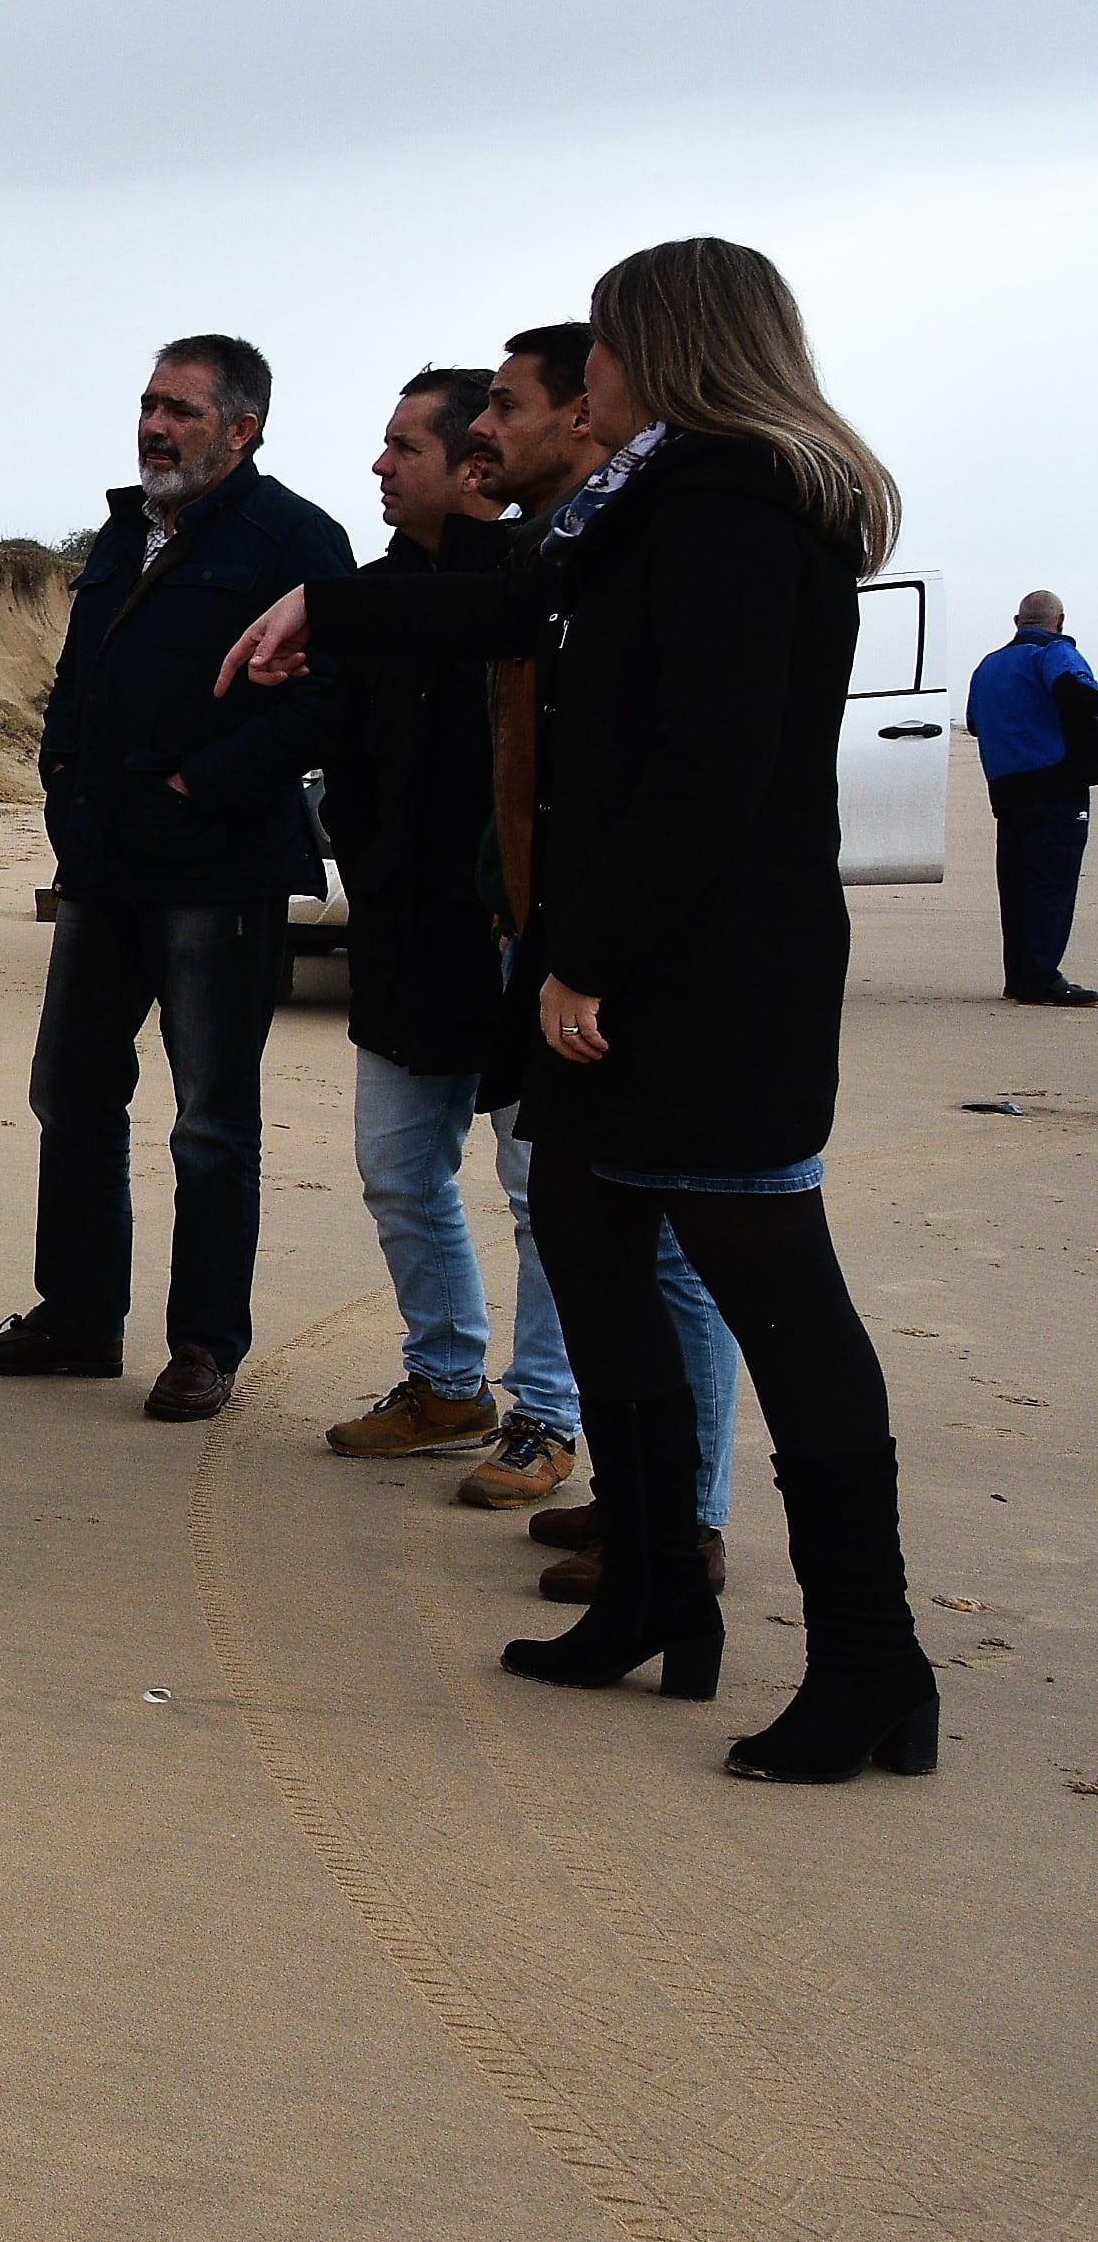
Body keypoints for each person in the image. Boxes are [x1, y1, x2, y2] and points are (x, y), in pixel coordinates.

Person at [225, 238, 931, 1784]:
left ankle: (877, 1661)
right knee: (597, 1249)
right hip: (628, 960)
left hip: (714, 975)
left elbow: (714, 767)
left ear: (662, 349)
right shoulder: (642, 508)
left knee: (775, 1284)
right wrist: (318, 611)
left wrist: (585, 955)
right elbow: (504, 604)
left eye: (599, 348)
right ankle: (657, 1591)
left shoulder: (742, 503)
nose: (580, 373)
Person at [0, 336, 354, 1420]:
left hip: (217, 873)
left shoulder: (295, 538)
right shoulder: (121, 530)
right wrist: (57, 783)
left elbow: (328, 702)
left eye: (178, 410)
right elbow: (78, 676)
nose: (152, 427)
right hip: (100, 862)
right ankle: (79, 1318)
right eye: (146, 404)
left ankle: (202, 1346)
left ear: (241, 428)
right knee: (71, 1093)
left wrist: (198, 788)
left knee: (210, 1120)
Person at [465, 328, 747, 1597]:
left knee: (674, 1245)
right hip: (559, 928)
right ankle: (640, 1502)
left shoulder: (662, 536)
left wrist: (583, 953)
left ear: (584, 414)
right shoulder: (566, 547)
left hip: (636, 954)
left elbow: (686, 775)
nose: (491, 429)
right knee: (599, 1229)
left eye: (507, 407)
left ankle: (680, 1521)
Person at [314, 367, 585, 1494]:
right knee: (394, 1169)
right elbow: (340, 758)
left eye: (401, 448)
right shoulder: (374, 598)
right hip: (397, 934)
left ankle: (548, 1416)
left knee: (538, 1190)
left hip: (517, 944)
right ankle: (442, 1382)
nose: (379, 466)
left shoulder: (527, 591)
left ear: (471, 465)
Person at [966, 590, 1097, 1005]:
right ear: (1059, 620)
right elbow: (1074, 691)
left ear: (1016, 620)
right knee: (1051, 882)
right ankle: (1041, 977)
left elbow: (973, 723)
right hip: (1056, 785)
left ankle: (1020, 976)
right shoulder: (1055, 652)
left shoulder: (988, 665)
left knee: (1018, 882)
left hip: (1007, 790)